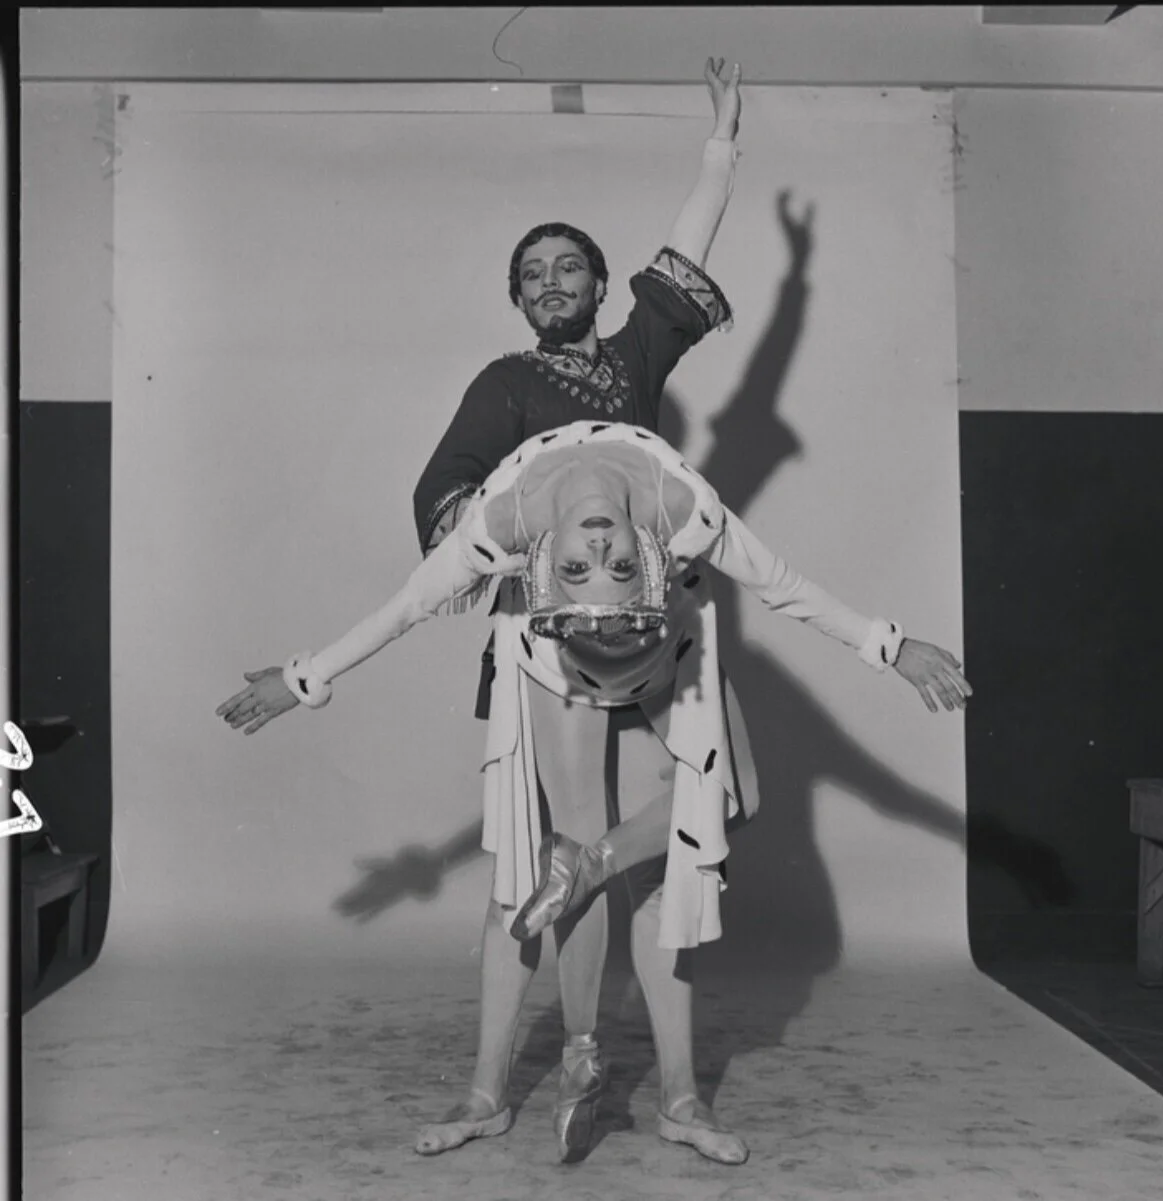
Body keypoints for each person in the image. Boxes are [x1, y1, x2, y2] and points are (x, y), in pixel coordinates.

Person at [223, 57, 754, 1164]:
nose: (551, 282)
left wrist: (722, 141)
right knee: (536, 869)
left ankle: (682, 1097)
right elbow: (446, 495)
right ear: (519, 301)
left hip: (653, 633)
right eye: (532, 274)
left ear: (601, 286)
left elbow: (691, 244)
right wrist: (521, 567)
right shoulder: (505, 383)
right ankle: (488, 1091)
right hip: (546, 645)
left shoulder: (637, 354)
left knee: (688, 840)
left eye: (569, 267)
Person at [219, 421, 972, 1166]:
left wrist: (892, 647)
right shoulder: (501, 526)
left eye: (612, 563)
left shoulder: (686, 512)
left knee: (715, 803)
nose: (601, 548)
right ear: (542, 559)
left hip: (661, 642)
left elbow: (781, 585)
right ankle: (529, 1080)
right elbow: (408, 605)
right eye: (578, 567)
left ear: (653, 555)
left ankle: (630, 968)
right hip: (557, 662)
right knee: (555, 857)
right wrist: (303, 677)